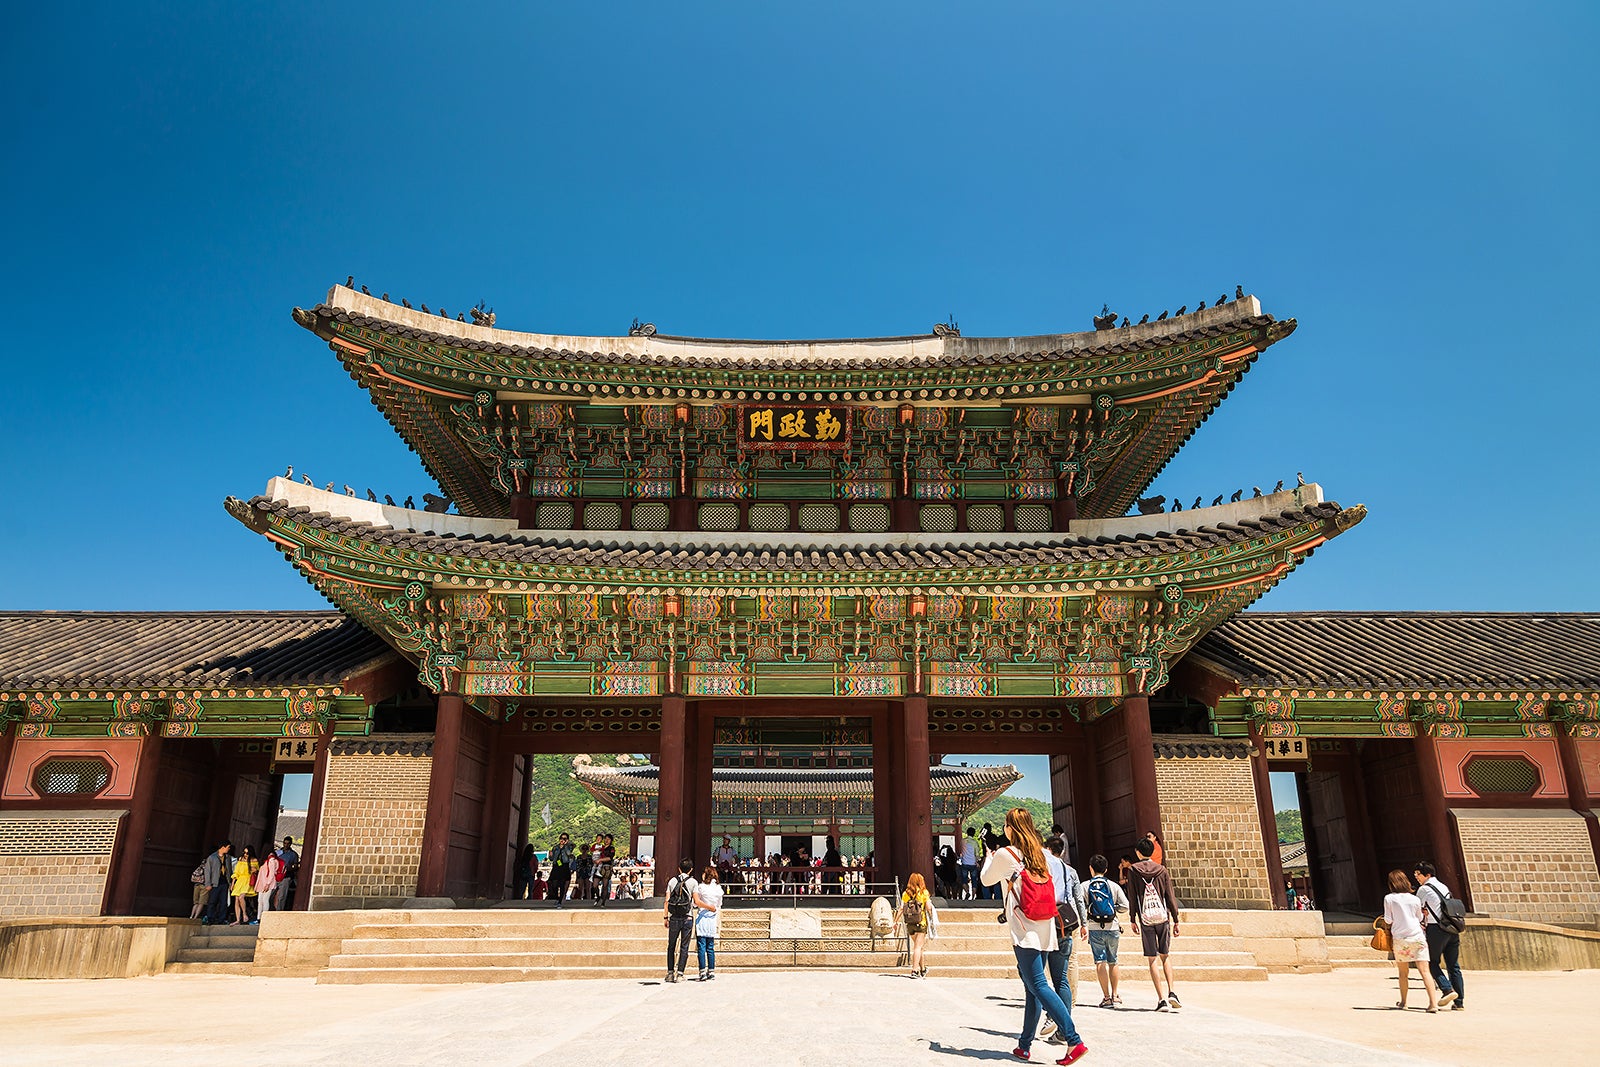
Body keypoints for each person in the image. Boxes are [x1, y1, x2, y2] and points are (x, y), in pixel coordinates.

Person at [981, 807, 1087, 1065]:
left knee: (1038, 984)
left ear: (1009, 828)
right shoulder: (1041, 853)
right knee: (1032, 989)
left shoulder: (1007, 854)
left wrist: (988, 855)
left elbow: (985, 880)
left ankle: (1074, 1040)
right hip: (1045, 925)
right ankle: (1024, 1045)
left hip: (1024, 928)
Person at [1127, 833, 1182, 1011]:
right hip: (1162, 916)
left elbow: (1133, 896)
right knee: (1165, 955)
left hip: (1146, 917)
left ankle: (1161, 999)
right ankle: (1172, 991)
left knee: (1152, 958)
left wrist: (1132, 918)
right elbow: (1170, 896)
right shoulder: (1162, 870)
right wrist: (1176, 919)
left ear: (1137, 852)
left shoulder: (1133, 870)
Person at [1040, 834, 1086, 1043]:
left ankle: (1055, 1016)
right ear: (1064, 850)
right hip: (1069, 920)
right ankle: (1068, 1013)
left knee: (1041, 976)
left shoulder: (1044, 864)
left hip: (1050, 920)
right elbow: (1078, 898)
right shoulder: (1070, 870)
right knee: (1065, 972)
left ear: (1048, 848)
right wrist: (1084, 923)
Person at [1383, 869, 1450, 1011]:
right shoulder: (1414, 899)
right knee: (1425, 971)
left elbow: (1388, 920)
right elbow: (1420, 918)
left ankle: (1403, 1002)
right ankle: (1433, 1003)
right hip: (1417, 937)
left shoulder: (1389, 898)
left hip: (1401, 939)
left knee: (1403, 973)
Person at [1077, 853, 1129, 1009]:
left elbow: (1080, 904)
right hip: (1112, 926)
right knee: (1113, 960)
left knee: (1100, 961)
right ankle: (1115, 995)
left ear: (1091, 869)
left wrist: (1085, 920)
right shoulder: (1113, 886)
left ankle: (1106, 997)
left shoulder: (1085, 886)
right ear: (1106, 869)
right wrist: (1114, 909)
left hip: (1094, 927)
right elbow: (1125, 906)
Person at [1413, 861, 1465, 1012]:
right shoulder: (1444, 886)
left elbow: (1419, 909)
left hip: (1436, 929)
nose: (1417, 877)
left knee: (1432, 962)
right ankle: (1459, 1002)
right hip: (1451, 928)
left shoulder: (1424, 889)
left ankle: (1447, 989)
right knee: (1453, 965)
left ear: (1427, 875)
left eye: (1418, 874)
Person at [662, 858, 698, 983]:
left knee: (671, 946)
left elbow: (666, 901)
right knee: (684, 946)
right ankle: (680, 974)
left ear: (679, 868)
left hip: (674, 917)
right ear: (691, 869)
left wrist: (666, 917)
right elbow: (696, 900)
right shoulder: (693, 882)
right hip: (687, 916)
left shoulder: (672, 881)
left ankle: (670, 973)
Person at [901, 871, 937, 977]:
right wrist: (931, 916)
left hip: (910, 924)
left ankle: (923, 968)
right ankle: (914, 970)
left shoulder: (906, 894)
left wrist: (895, 921)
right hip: (921, 922)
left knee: (919, 947)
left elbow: (901, 908)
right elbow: (929, 907)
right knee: (917, 947)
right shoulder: (924, 893)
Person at [693, 865, 723, 981]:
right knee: (710, 946)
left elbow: (696, 903)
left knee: (701, 946)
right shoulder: (718, 889)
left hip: (702, 916)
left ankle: (702, 971)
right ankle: (711, 971)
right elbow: (719, 904)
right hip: (712, 918)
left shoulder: (701, 887)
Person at [201, 841, 231, 925]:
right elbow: (207, 871)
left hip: (224, 882)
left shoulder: (228, 857)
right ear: (223, 847)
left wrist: (230, 882)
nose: (228, 849)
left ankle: (221, 919)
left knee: (223, 902)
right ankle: (210, 918)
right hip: (215, 882)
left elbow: (229, 870)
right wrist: (208, 883)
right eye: (228, 847)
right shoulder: (212, 857)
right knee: (212, 902)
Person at [254, 846, 284, 921]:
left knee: (264, 900)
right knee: (260, 900)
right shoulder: (269, 860)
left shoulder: (271, 860)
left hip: (267, 883)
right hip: (263, 882)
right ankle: (259, 917)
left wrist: (268, 884)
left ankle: (264, 917)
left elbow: (271, 873)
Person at [230, 845, 257, 925]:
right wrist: (232, 883)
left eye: (247, 853)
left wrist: (254, 869)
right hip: (240, 880)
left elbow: (256, 870)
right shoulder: (240, 859)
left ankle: (244, 914)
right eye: (244, 852)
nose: (245, 854)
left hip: (248, 880)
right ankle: (238, 920)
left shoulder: (254, 860)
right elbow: (236, 872)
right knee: (236, 899)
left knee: (241, 897)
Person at [981, 822, 1007, 900]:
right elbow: (996, 847)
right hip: (1003, 859)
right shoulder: (995, 837)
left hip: (988, 857)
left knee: (985, 875)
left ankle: (986, 897)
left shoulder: (983, 838)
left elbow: (997, 848)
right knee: (999, 879)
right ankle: (998, 896)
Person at [548, 833, 575, 905]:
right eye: (561, 838)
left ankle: (560, 900)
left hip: (564, 865)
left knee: (562, 883)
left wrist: (565, 845)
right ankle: (556, 897)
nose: (562, 840)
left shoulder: (569, 847)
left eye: (564, 839)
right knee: (554, 883)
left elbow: (569, 853)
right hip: (556, 865)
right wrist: (550, 855)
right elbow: (551, 859)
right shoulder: (555, 847)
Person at [274, 836, 299, 911]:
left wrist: (290, 868)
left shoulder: (293, 854)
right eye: (285, 843)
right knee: (270, 894)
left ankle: (279, 911)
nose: (286, 845)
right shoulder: (278, 852)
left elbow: (295, 866)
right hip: (275, 875)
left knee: (282, 896)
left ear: (290, 844)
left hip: (286, 876)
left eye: (288, 843)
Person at [595, 833, 616, 906]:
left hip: (606, 867)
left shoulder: (611, 848)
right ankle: (598, 896)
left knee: (605, 885)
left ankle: (603, 901)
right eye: (605, 839)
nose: (606, 840)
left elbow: (610, 857)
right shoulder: (601, 847)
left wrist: (601, 859)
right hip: (598, 866)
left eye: (608, 839)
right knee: (595, 884)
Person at [959, 828, 980, 900]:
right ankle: (973, 897)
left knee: (964, 880)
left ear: (967, 833)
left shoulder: (963, 841)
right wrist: (977, 861)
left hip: (964, 863)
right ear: (974, 834)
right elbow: (977, 854)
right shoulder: (975, 842)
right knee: (974, 880)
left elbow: (960, 851)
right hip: (973, 864)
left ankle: (967, 892)